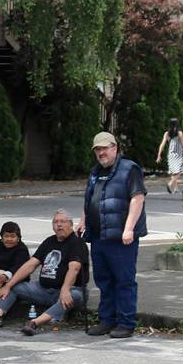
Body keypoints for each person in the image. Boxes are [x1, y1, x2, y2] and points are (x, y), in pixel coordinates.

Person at [0, 210, 89, 336]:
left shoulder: (77, 243)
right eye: (55, 222)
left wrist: (65, 289)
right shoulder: (49, 241)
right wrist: (8, 285)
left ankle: (34, 323)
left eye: (62, 222)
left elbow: (74, 268)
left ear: (70, 224)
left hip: (70, 289)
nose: (59, 225)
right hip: (43, 289)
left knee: (75, 295)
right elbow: (30, 264)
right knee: (15, 285)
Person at [77, 131, 147, 339]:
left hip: (120, 238)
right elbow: (89, 200)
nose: (101, 153)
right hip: (99, 236)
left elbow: (137, 198)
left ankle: (126, 323)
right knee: (104, 281)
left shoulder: (129, 169)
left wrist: (129, 228)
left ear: (115, 148)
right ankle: (107, 321)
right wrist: (83, 221)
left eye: (104, 148)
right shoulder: (95, 172)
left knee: (124, 281)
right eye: (97, 149)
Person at [156, 118, 183, 194]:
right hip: (178, 154)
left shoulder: (166, 133)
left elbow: (162, 144)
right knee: (180, 171)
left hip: (170, 154)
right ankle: (170, 183)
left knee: (173, 172)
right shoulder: (179, 133)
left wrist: (159, 155)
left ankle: (176, 188)